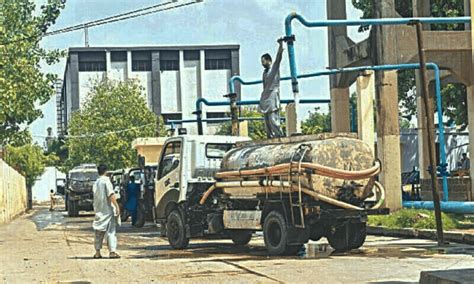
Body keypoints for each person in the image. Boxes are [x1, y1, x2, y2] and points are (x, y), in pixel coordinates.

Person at [92, 164, 121, 259]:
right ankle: (112, 251)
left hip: (98, 209)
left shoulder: (96, 183)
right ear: (106, 171)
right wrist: (116, 206)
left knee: (98, 231)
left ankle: (97, 252)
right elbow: (111, 194)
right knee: (111, 231)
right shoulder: (106, 181)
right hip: (107, 210)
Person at [259, 39, 285, 138]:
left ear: (269, 60)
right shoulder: (264, 73)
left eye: (263, 61)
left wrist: (280, 46)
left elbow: (278, 58)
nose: (262, 63)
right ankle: (269, 137)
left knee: (274, 120)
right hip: (265, 99)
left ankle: (279, 136)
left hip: (273, 97)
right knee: (267, 123)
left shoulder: (274, 69)